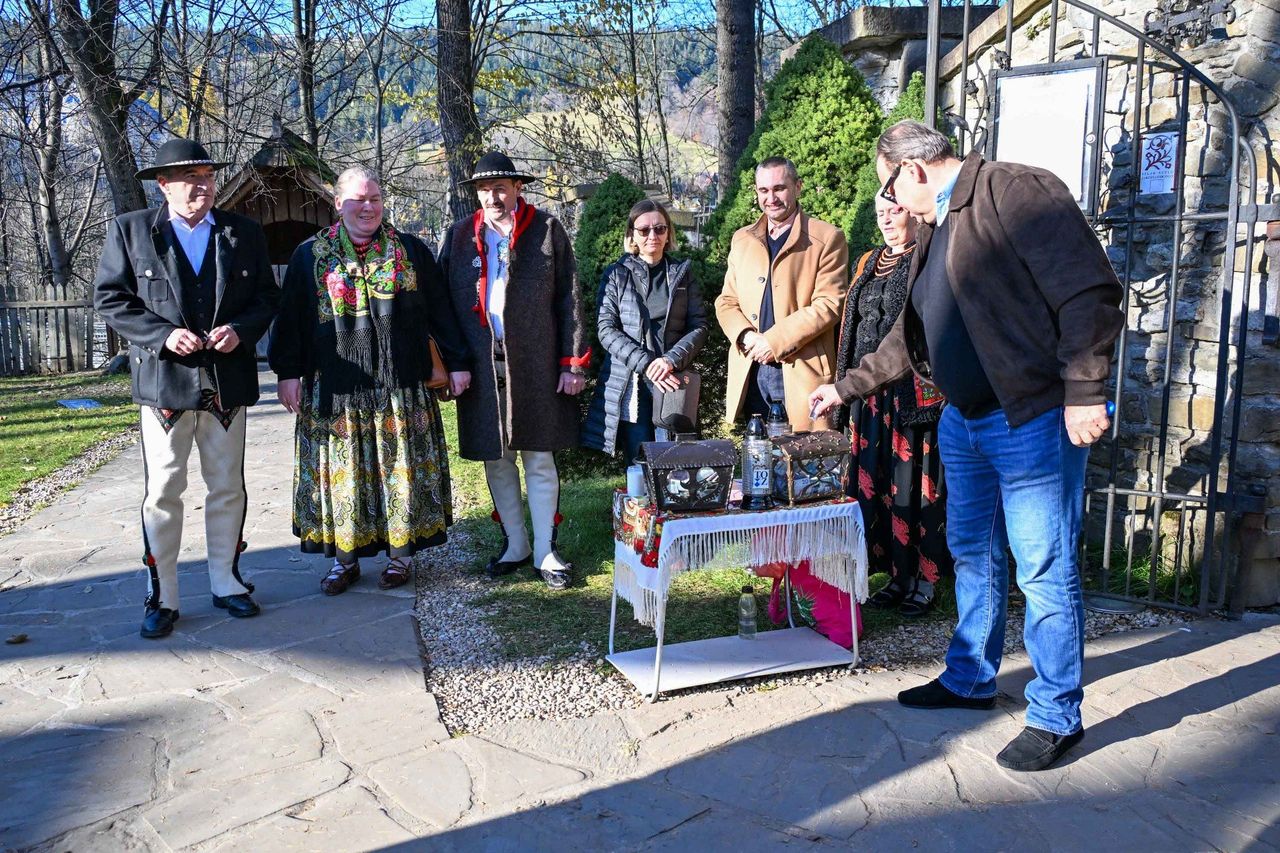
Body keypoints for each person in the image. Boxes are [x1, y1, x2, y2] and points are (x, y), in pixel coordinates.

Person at [810, 120, 1124, 772]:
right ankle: (971, 677)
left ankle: (1056, 714)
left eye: (889, 189)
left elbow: (1088, 291)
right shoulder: (936, 227)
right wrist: (845, 386)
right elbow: (910, 335)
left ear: (912, 170)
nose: (892, 204)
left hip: (1032, 417)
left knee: (1044, 566)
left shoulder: (1016, 190)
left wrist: (1086, 390)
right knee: (973, 554)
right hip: (964, 421)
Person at [93, 138, 280, 639]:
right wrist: (161, 335)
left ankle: (227, 582)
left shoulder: (242, 233)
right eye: (190, 178)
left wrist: (241, 330)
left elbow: (267, 297)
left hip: (226, 383)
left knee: (227, 485)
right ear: (164, 185)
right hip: (163, 385)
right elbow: (110, 298)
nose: (203, 186)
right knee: (163, 490)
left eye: (208, 177)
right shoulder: (132, 231)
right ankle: (164, 596)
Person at [269, 167, 470, 594]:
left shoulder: (410, 249)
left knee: (400, 470)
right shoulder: (310, 255)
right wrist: (287, 373)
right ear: (338, 204)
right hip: (335, 389)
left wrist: (457, 362)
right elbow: (290, 320)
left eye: (375, 199)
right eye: (359, 200)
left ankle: (401, 557)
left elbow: (440, 310)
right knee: (344, 475)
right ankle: (344, 560)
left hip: (401, 387)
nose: (368, 207)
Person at [439, 152, 590, 590]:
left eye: (501, 188)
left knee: (539, 456)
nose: (493, 197)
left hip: (537, 363)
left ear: (517, 188)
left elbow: (570, 298)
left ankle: (546, 551)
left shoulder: (546, 229)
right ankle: (515, 545)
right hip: (481, 366)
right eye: (485, 190)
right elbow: (443, 309)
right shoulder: (459, 236)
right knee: (497, 457)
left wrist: (572, 362)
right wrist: (455, 363)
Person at [834, 195, 951, 617]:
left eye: (895, 211)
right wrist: (843, 386)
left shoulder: (928, 257)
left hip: (911, 395)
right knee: (877, 486)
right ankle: (896, 576)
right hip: (868, 396)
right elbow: (850, 327)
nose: (886, 220)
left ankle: (925, 579)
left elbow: (917, 330)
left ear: (913, 212)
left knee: (915, 486)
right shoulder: (867, 261)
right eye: (880, 212)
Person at [714, 157, 848, 431]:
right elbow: (726, 301)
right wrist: (746, 336)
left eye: (779, 188)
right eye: (763, 190)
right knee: (757, 450)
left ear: (798, 187)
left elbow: (829, 304)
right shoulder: (742, 239)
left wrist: (773, 342)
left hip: (800, 369)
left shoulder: (827, 238)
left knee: (801, 452)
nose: (771, 198)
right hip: (751, 366)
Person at [581, 199, 708, 462]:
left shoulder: (682, 274)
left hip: (673, 378)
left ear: (668, 233)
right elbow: (606, 329)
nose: (652, 235)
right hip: (633, 382)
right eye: (644, 230)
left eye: (660, 229)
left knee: (676, 460)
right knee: (638, 460)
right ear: (632, 235)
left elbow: (699, 325)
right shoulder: (616, 275)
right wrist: (648, 364)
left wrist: (670, 361)